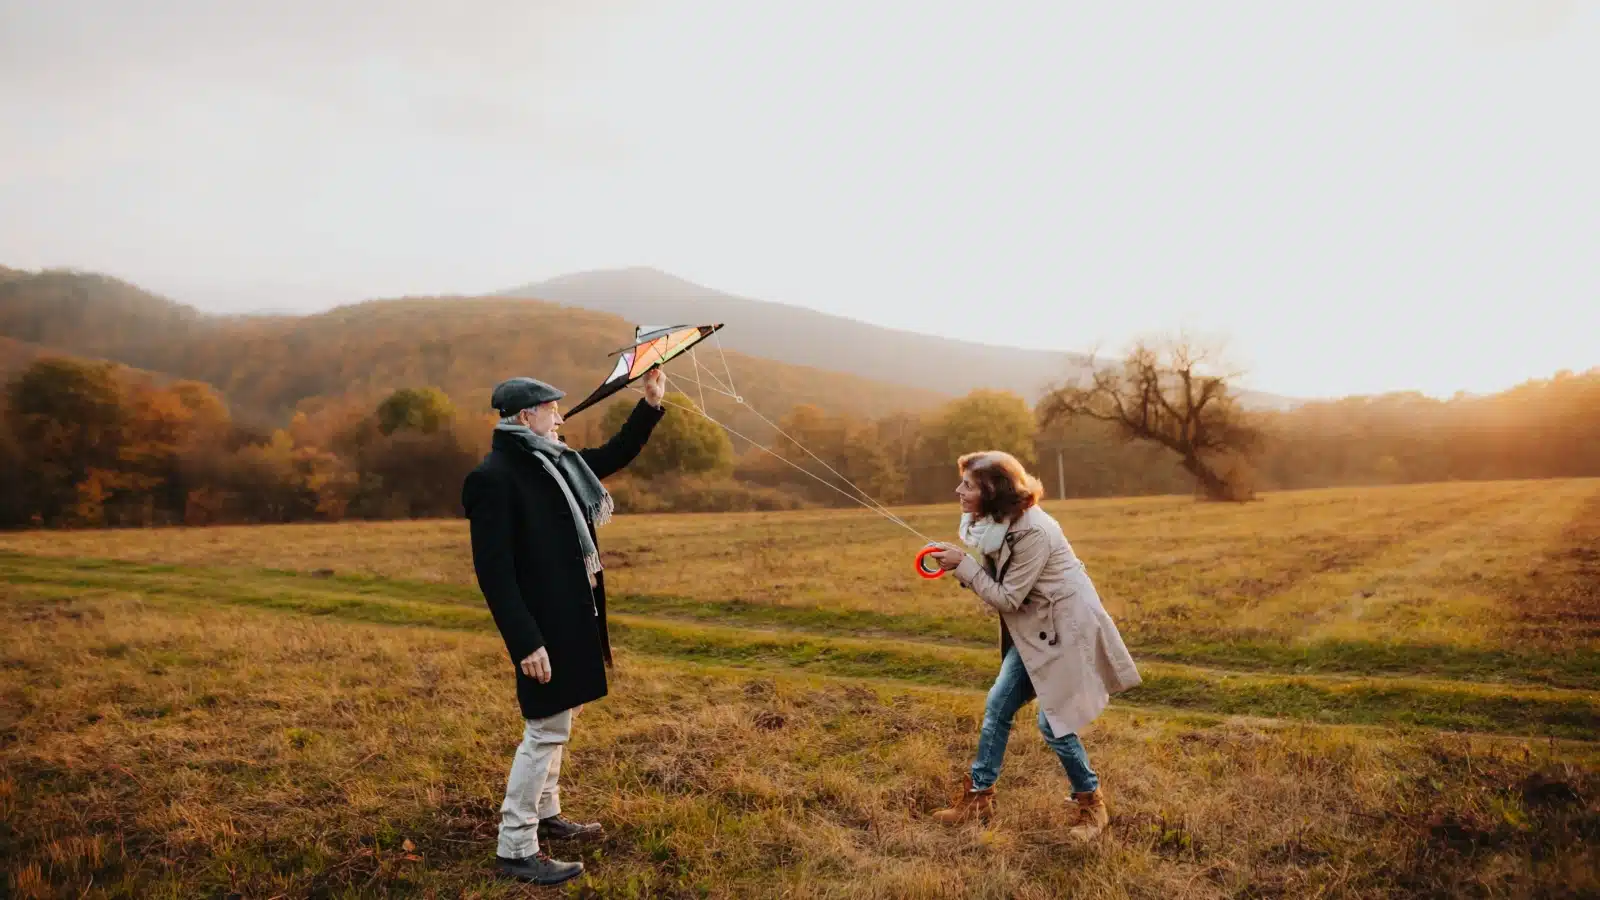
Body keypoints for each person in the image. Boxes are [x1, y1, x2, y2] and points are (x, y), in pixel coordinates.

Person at [462, 367, 667, 885]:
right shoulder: (494, 478)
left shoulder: (558, 463)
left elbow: (613, 456)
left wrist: (649, 404)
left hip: (575, 617)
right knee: (544, 730)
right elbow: (494, 574)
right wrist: (525, 642)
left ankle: (548, 814)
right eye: (552, 410)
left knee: (562, 717)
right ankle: (516, 845)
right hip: (543, 627)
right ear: (527, 417)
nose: (560, 416)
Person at [926, 450, 1141, 841]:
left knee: (1052, 722)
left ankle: (1092, 805)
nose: (959, 490)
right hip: (1034, 628)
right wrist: (960, 562)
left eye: (968, 485)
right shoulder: (990, 523)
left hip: (1064, 630)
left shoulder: (1033, 532)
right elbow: (997, 581)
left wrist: (964, 566)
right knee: (998, 705)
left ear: (993, 491)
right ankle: (978, 799)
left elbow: (1008, 598)